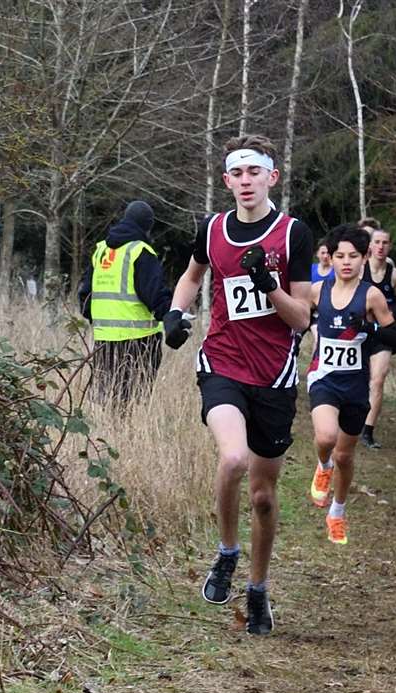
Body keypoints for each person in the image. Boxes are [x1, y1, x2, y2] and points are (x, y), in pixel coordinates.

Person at [164, 133, 313, 635]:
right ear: (226, 181)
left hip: (274, 375)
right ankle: (227, 552)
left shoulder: (293, 234)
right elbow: (191, 276)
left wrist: (269, 286)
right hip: (223, 361)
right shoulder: (212, 229)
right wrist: (175, 312)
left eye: (256, 172)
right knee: (232, 458)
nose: (246, 182)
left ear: (272, 177)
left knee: (264, 496)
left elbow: (301, 319)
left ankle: (258, 589)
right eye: (237, 174)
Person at [306, 225, 396, 544]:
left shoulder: (371, 295)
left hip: (355, 385)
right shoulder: (317, 291)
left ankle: (337, 512)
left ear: (364, 258)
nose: (346, 262)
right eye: (339, 256)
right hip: (324, 377)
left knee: (346, 457)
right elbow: (297, 319)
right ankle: (322, 464)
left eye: (353, 256)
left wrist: (369, 330)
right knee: (325, 436)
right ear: (330, 259)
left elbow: (393, 335)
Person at [77, 200, 173, 402]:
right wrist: (172, 316)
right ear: (148, 225)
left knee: (109, 400)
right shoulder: (140, 251)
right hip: (140, 340)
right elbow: (155, 295)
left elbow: (85, 295)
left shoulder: (101, 250)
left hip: (104, 339)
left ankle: (110, 433)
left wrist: (100, 319)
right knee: (135, 402)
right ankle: (129, 434)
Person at [359, 227, 396, 449]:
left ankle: (368, 431)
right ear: (370, 245)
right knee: (358, 379)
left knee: (378, 379)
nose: (380, 246)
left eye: (385, 242)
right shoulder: (359, 271)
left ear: (390, 246)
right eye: (377, 242)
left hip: (383, 334)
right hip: (360, 332)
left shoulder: (395, 277)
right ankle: (350, 420)